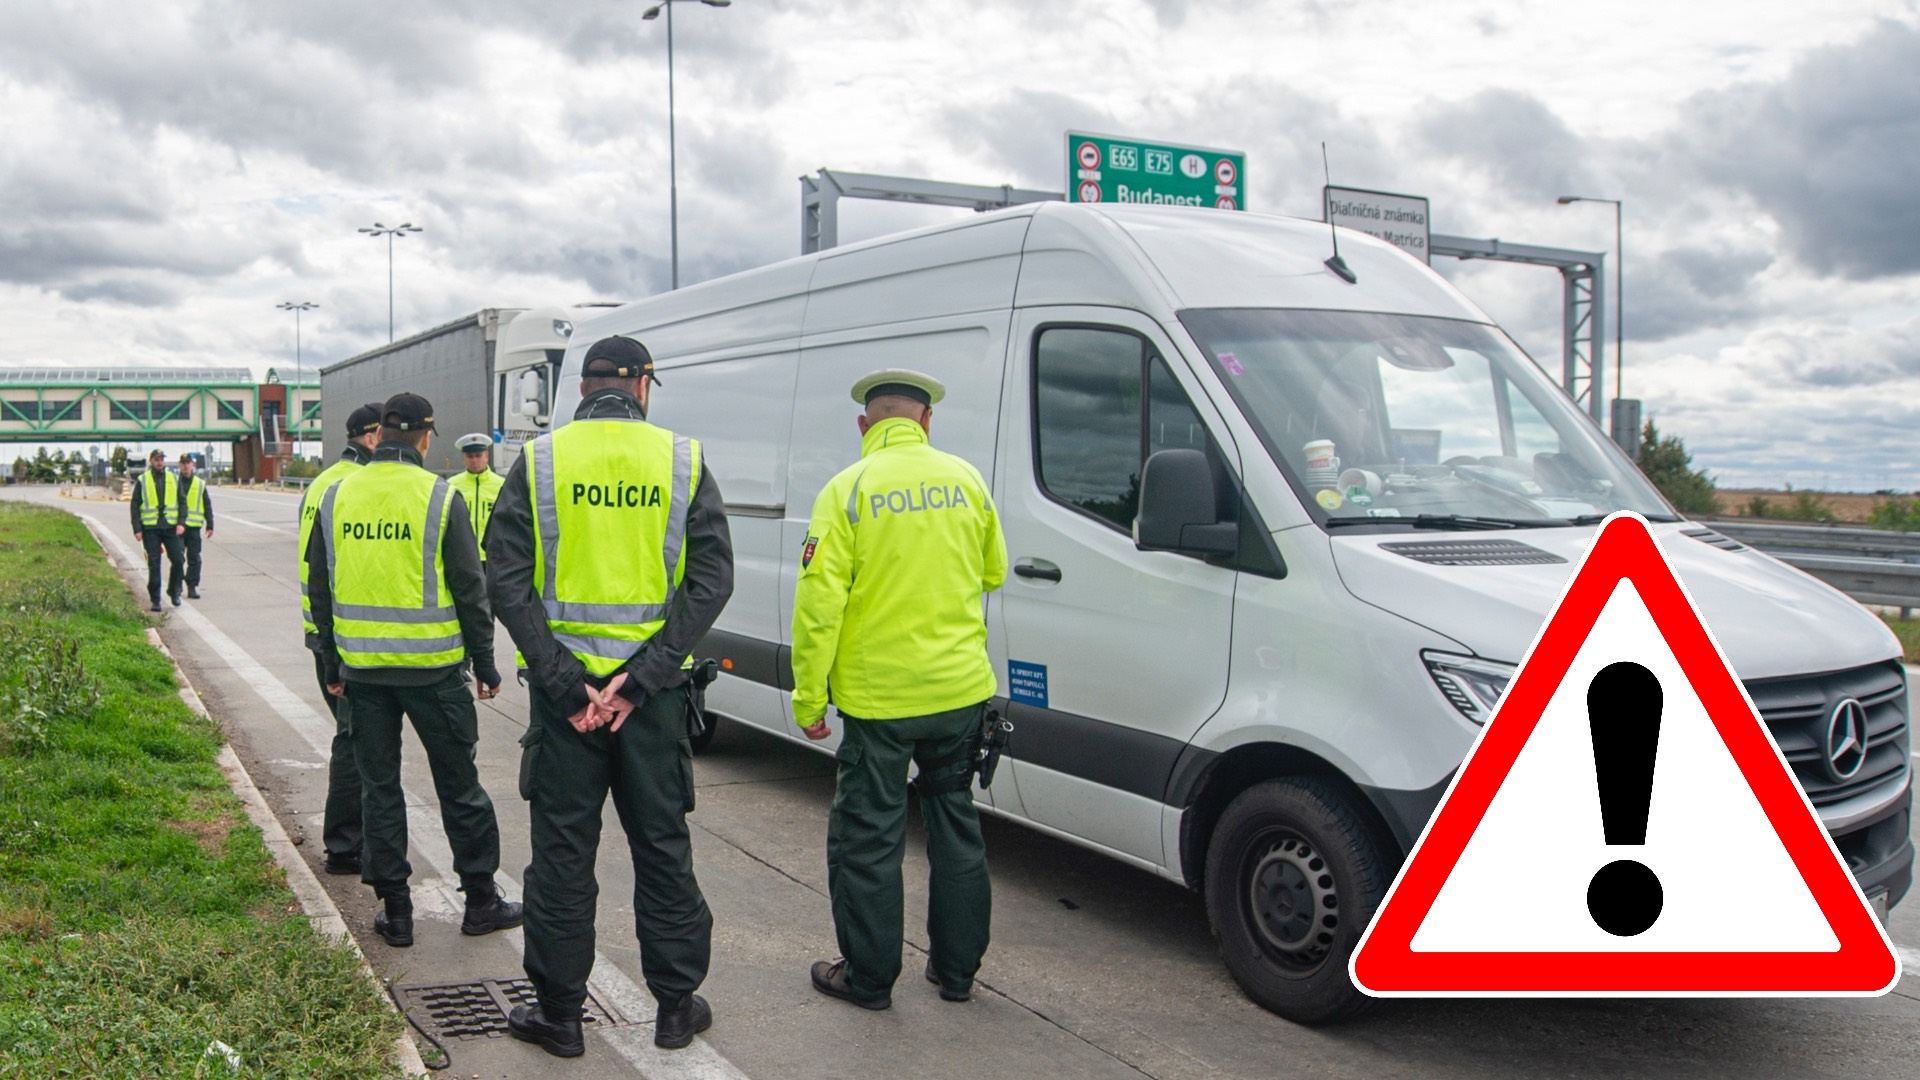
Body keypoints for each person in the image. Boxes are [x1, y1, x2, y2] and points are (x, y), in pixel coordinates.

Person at [488, 336, 733, 1058]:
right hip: (650, 704)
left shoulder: (538, 461)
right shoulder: (683, 460)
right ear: (642, 386)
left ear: (584, 387)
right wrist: (644, 678)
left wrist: (569, 682)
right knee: (662, 846)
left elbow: (507, 578)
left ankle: (561, 1017)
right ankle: (675, 1008)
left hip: (568, 707)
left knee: (563, 854)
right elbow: (711, 581)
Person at [792, 368, 1007, 1011]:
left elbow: (818, 605)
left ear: (866, 426)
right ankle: (957, 974)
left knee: (868, 839)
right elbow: (992, 571)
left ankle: (869, 978)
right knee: (955, 826)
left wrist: (809, 698)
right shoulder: (967, 480)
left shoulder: (848, 489)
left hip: (879, 703)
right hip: (960, 693)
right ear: (925, 422)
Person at [306, 392, 523, 949]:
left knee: (380, 791)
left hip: (364, 675)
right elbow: (470, 588)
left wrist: (332, 661)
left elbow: (320, 587)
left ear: (379, 435)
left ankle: (397, 913)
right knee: (459, 786)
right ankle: (479, 900)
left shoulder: (336, 495)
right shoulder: (438, 495)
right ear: (425, 437)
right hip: (433, 673)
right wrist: (485, 661)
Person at [299, 402, 384, 877]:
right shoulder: (351, 485)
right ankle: (346, 845)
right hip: (341, 634)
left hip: (319, 628)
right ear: (371, 437)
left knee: (353, 736)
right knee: (355, 741)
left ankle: (353, 839)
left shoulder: (320, 482)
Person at [129, 448, 186, 612]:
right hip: (151, 529)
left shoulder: (174, 478)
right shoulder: (143, 479)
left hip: (170, 527)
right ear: (151, 461)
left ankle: (174, 591)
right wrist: (137, 528)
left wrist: (181, 522)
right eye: (156, 459)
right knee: (154, 564)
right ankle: (155, 599)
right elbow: (135, 504)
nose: (160, 462)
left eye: (161, 459)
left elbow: (182, 502)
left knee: (178, 560)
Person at [453, 433, 504, 559]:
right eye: (470, 456)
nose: (474, 460)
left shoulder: (502, 486)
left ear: (486, 456)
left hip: (493, 557)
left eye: (478, 455)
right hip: (463, 557)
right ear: (463, 458)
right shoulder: (452, 486)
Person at [177, 453, 214, 599]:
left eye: (188, 463)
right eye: (183, 463)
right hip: (178, 526)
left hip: (193, 528)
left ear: (192, 465)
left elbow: (207, 505)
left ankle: (192, 586)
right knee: (178, 559)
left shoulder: (200, 483)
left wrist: (210, 524)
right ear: (180, 465)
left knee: (194, 558)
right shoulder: (173, 482)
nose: (186, 465)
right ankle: (177, 585)